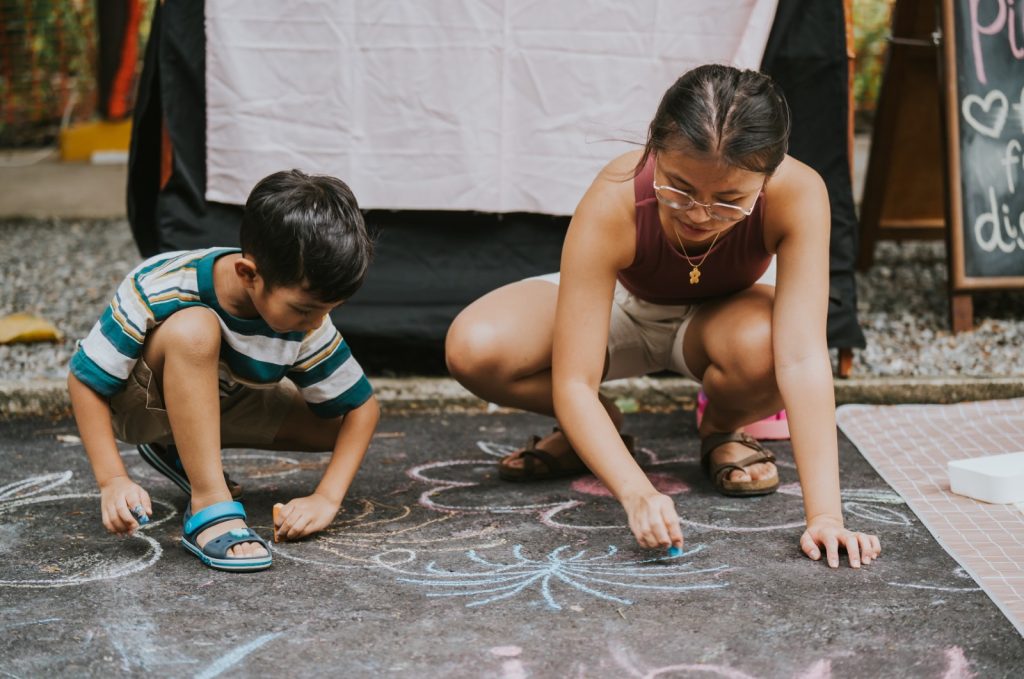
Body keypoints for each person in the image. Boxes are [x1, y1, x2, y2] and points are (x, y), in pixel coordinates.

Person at [445, 64, 880, 569]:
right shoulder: (617, 192)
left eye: (730, 202)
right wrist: (637, 493)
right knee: (474, 347)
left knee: (771, 346)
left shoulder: (800, 192)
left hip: (721, 319)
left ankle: (721, 429)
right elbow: (574, 381)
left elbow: (802, 359)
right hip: (621, 305)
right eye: (678, 188)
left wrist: (825, 516)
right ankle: (599, 432)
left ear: (769, 175)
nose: (698, 213)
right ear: (653, 147)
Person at [67, 169, 379, 572]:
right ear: (248, 274)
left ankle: (180, 451)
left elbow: (362, 409)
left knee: (336, 425)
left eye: (328, 310)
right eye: (305, 310)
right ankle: (209, 503)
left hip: (223, 398)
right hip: (141, 406)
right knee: (195, 329)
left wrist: (326, 498)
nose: (316, 323)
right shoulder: (162, 284)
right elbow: (85, 380)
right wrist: (112, 480)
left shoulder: (307, 321)